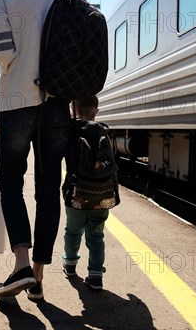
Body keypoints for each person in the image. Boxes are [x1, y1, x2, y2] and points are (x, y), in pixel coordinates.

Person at [0, 0, 70, 301]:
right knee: (48, 189)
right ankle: (37, 277)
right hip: (55, 104)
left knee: (11, 184)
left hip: (16, 103)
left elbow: (3, 53)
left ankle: (21, 261)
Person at [62, 96, 118, 291]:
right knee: (96, 235)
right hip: (103, 195)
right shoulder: (104, 131)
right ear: (96, 110)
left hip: (77, 194)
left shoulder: (71, 131)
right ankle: (95, 275)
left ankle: (69, 264)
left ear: (72, 111)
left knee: (73, 231)